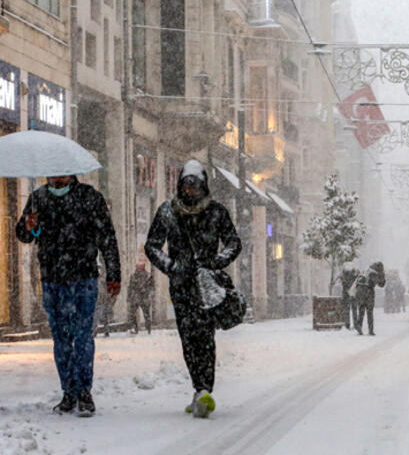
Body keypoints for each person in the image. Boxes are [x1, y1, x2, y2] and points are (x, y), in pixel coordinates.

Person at [16, 175, 121, 417]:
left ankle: (84, 391)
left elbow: (106, 236)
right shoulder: (37, 198)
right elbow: (24, 235)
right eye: (52, 172)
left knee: (83, 336)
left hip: (84, 278)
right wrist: (28, 226)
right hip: (52, 280)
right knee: (61, 339)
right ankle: (68, 391)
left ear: (71, 172)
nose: (56, 176)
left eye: (61, 171)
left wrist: (113, 273)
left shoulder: (89, 196)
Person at [145, 160, 241, 418]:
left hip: (206, 285)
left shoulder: (217, 212)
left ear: (203, 185)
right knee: (188, 338)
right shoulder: (167, 212)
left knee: (206, 338)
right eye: (186, 187)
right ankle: (199, 387)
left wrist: (217, 262)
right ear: (180, 186)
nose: (190, 191)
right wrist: (171, 266)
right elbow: (152, 246)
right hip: (181, 285)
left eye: (195, 186)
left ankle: (204, 388)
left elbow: (233, 242)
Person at [354, 261, 386, 336]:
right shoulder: (374, 273)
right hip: (368, 291)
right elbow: (381, 284)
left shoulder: (366, 271)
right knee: (369, 311)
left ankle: (359, 325)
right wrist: (382, 276)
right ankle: (370, 330)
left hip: (359, 291)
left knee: (361, 310)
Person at [127, 262, 154, 334]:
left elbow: (152, 287)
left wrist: (147, 291)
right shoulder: (133, 276)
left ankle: (148, 328)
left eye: (140, 266)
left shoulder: (148, 276)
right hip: (135, 297)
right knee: (132, 314)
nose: (138, 268)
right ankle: (135, 328)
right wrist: (128, 297)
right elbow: (130, 287)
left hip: (144, 297)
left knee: (146, 314)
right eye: (137, 266)